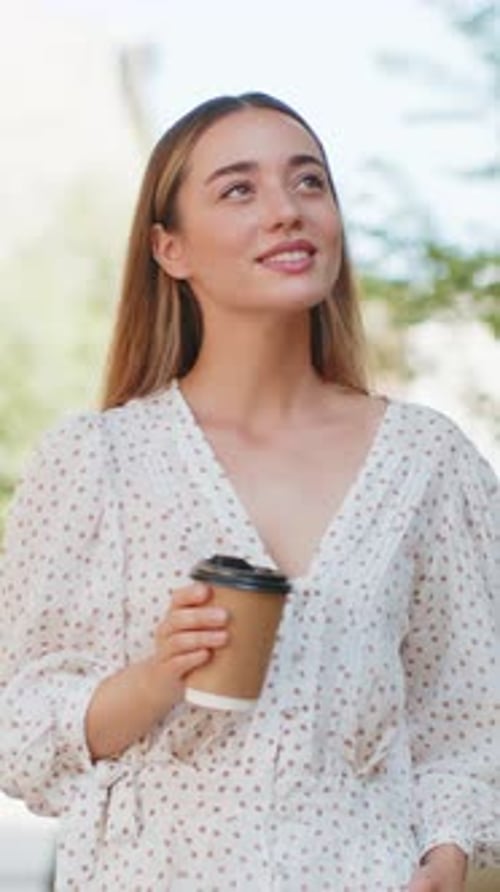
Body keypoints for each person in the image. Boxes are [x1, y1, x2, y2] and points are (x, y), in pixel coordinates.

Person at [0, 92, 498, 892]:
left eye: (309, 183)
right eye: (239, 189)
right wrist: (157, 675)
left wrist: (446, 851)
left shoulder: (428, 463)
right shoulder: (96, 462)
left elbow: (473, 719)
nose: (287, 212)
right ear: (170, 249)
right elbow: (17, 729)